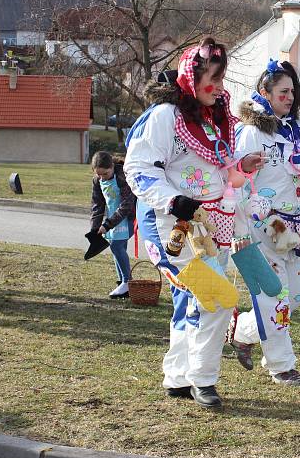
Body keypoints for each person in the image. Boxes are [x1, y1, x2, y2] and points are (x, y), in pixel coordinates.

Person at [124, 37, 263, 408]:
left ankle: (179, 376)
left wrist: (241, 166)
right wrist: (173, 200)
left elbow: (215, 168)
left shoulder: (212, 118)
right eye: (211, 79)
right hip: (172, 227)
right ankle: (204, 379)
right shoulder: (165, 117)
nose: (218, 88)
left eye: (221, 80)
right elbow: (138, 168)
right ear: (191, 76)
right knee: (219, 298)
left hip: (208, 226)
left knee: (192, 300)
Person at [230, 59, 300, 387]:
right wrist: (243, 228)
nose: (290, 96)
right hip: (264, 226)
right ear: (264, 92)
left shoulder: (299, 131)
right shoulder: (250, 132)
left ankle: (242, 330)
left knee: (294, 299)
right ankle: (282, 366)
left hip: (297, 225)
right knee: (275, 300)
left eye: (292, 91)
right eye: (283, 91)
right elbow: (235, 178)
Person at [90, 151, 136, 299]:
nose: (102, 177)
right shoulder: (97, 180)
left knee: (116, 246)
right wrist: (95, 228)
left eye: (105, 173)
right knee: (117, 247)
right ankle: (122, 283)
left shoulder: (123, 176)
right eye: (99, 174)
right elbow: (98, 204)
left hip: (127, 217)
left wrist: (107, 224)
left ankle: (127, 282)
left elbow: (126, 205)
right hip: (112, 219)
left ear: (112, 166)